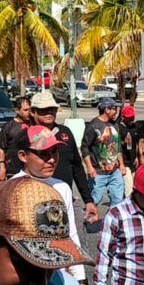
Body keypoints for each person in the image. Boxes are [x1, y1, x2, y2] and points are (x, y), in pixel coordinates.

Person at [13, 125, 89, 285]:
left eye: (54, 152)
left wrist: (80, 278)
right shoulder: (12, 189)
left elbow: (70, 234)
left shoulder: (62, 187)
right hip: (24, 277)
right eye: (43, 154)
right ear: (22, 156)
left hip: (59, 276)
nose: (52, 159)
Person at [30, 91, 97, 223]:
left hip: (65, 199)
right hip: (36, 203)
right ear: (33, 112)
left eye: (52, 109)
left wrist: (88, 201)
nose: (49, 112)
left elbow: (77, 167)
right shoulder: (25, 136)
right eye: (44, 110)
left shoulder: (65, 132)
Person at [82, 97, 126, 208]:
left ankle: (113, 222)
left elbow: (118, 147)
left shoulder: (114, 125)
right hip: (98, 172)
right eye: (114, 108)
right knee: (94, 200)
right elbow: (85, 148)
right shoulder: (92, 126)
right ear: (106, 109)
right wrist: (89, 167)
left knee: (118, 200)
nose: (116, 111)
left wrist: (121, 164)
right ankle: (88, 223)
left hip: (115, 172)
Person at [0, 95, 32, 180]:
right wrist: (2, 168)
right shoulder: (8, 126)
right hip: (13, 170)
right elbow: (1, 148)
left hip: (30, 169)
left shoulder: (33, 124)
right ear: (17, 110)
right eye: (25, 110)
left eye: (30, 110)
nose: (29, 112)